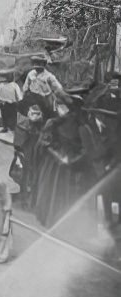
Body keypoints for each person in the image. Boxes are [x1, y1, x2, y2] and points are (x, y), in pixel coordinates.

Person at [33, 95, 98, 227]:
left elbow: (89, 149)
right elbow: (45, 143)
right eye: (73, 110)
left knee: (65, 193)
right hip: (58, 165)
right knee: (57, 192)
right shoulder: (55, 123)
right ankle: (57, 221)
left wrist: (74, 160)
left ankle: (65, 224)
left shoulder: (83, 127)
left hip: (69, 167)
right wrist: (61, 157)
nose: (74, 113)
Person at [13, 104, 45, 206]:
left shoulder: (41, 126)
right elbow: (18, 142)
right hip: (26, 154)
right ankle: (25, 196)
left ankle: (31, 197)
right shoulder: (24, 124)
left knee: (33, 175)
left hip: (36, 154)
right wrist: (18, 154)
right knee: (25, 175)